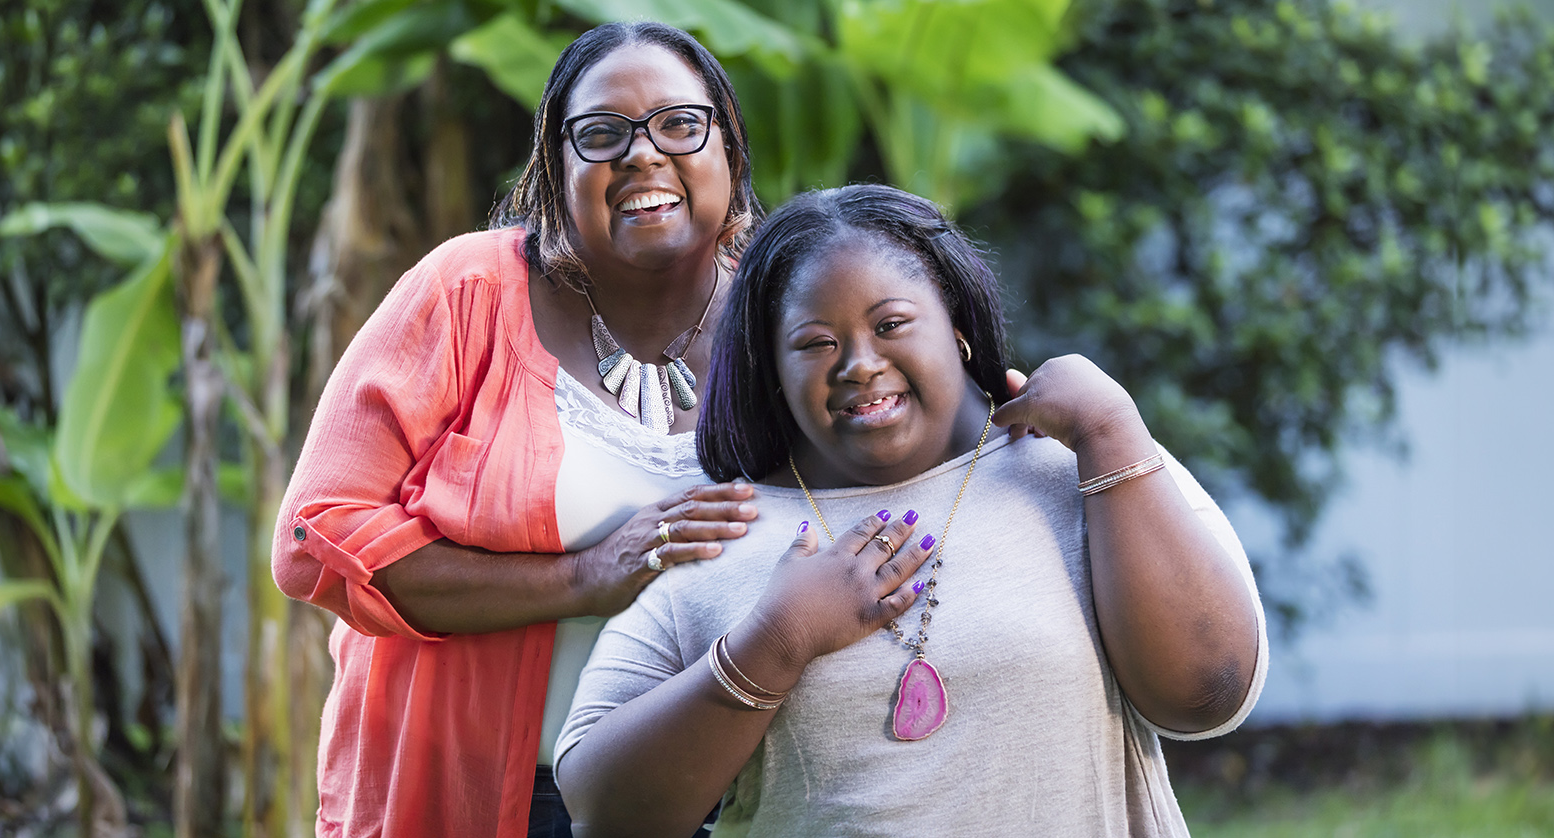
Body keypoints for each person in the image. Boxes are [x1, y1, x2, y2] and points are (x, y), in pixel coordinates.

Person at [554, 184, 1269, 837]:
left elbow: (1208, 695)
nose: (858, 363)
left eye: (891, 324)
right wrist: (776, 643)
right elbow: (601, 811)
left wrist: (1112, 429)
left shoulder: (1089, 467)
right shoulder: (726, 530)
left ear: (955, 325)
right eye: (816, 343)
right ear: (773, 369)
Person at [272, 22, 765, 838]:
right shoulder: (466, 293)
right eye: (601, 135)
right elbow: (315, 535)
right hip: (483, 798)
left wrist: (1053, 401)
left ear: (731, 151)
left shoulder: (789, 315)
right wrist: (584, 576)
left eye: (681, 124)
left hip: (734, 799)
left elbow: (911, 433)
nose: (643, 155)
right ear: (556, 169)